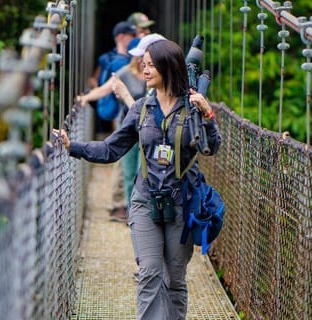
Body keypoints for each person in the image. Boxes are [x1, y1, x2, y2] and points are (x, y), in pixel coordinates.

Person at [54, 40, 220, 320]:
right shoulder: (142, 109)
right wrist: (74, 147)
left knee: (174, 279)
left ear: (168, 67)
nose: (145, 69)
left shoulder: (191, 109)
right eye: (144, 64)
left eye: (151, 65)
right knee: (150, 272)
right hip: (145, 201)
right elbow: (111, 149)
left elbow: (211, 147)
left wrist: (207, 114)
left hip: (182, 203)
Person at [76, 34, 168, 222]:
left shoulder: (162, 80)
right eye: (141, 57)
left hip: (151, 132)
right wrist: (86, 98)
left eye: (147, 57)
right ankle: (132, 213)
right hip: (129, 127)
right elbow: (105, 89)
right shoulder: (125, 73)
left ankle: (147, 215)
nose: (142, 61)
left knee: (145, 173)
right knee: (129, 172)